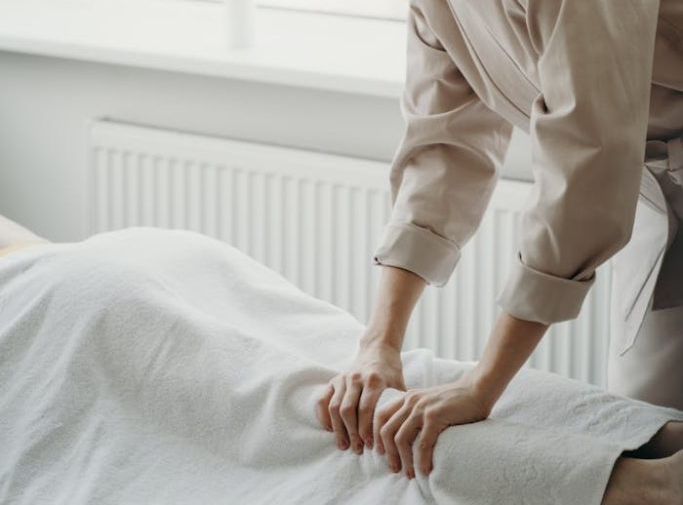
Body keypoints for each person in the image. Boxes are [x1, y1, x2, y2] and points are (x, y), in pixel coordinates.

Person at [242, 0, 683, 475]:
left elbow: (589, 155)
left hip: (638, 170)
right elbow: (441, 150)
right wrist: (378, 345)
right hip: (661, 192)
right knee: (654, 425)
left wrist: (484, 384)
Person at [1, 214, 683, 504]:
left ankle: (644, 489)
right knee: (381, 385)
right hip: (125, 260)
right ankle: (650, 442)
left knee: (334, 428)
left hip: (61, 309)